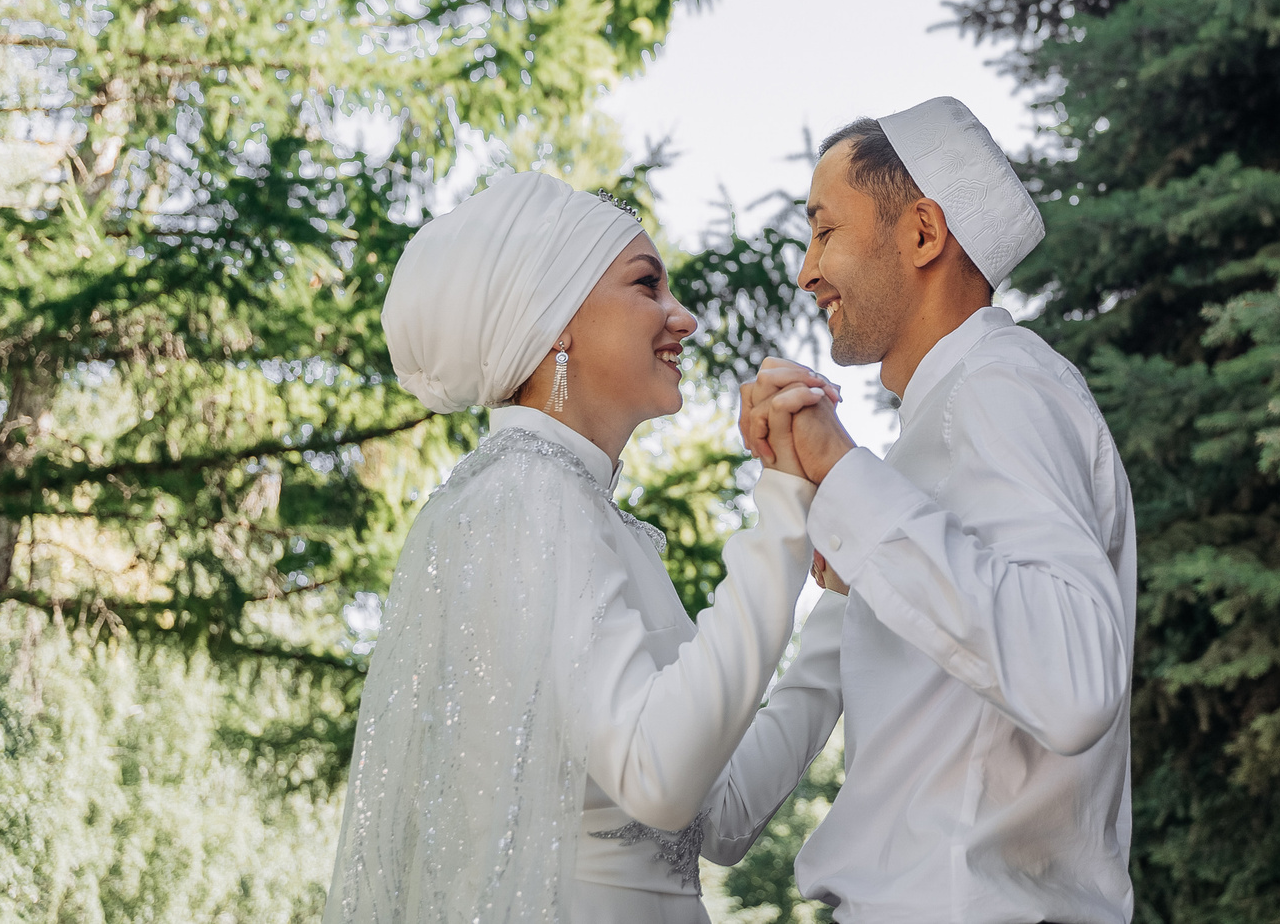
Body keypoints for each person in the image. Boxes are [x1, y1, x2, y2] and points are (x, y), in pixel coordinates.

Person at [323, 171, 835, 924]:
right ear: (555, 319)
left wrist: (842, 614)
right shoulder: (526, 497)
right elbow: (657, 771)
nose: (682, 317)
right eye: (647, 285)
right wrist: (784, 504)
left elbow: (717, 815)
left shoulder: (577, 512)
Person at [730, 96, 1140, 924]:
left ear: (922, 232)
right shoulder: (913, 459)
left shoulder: (1001, 381)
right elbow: (729, 811)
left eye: (825, 230)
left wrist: (843, 471)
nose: (806, 270)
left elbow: (1075, 684)